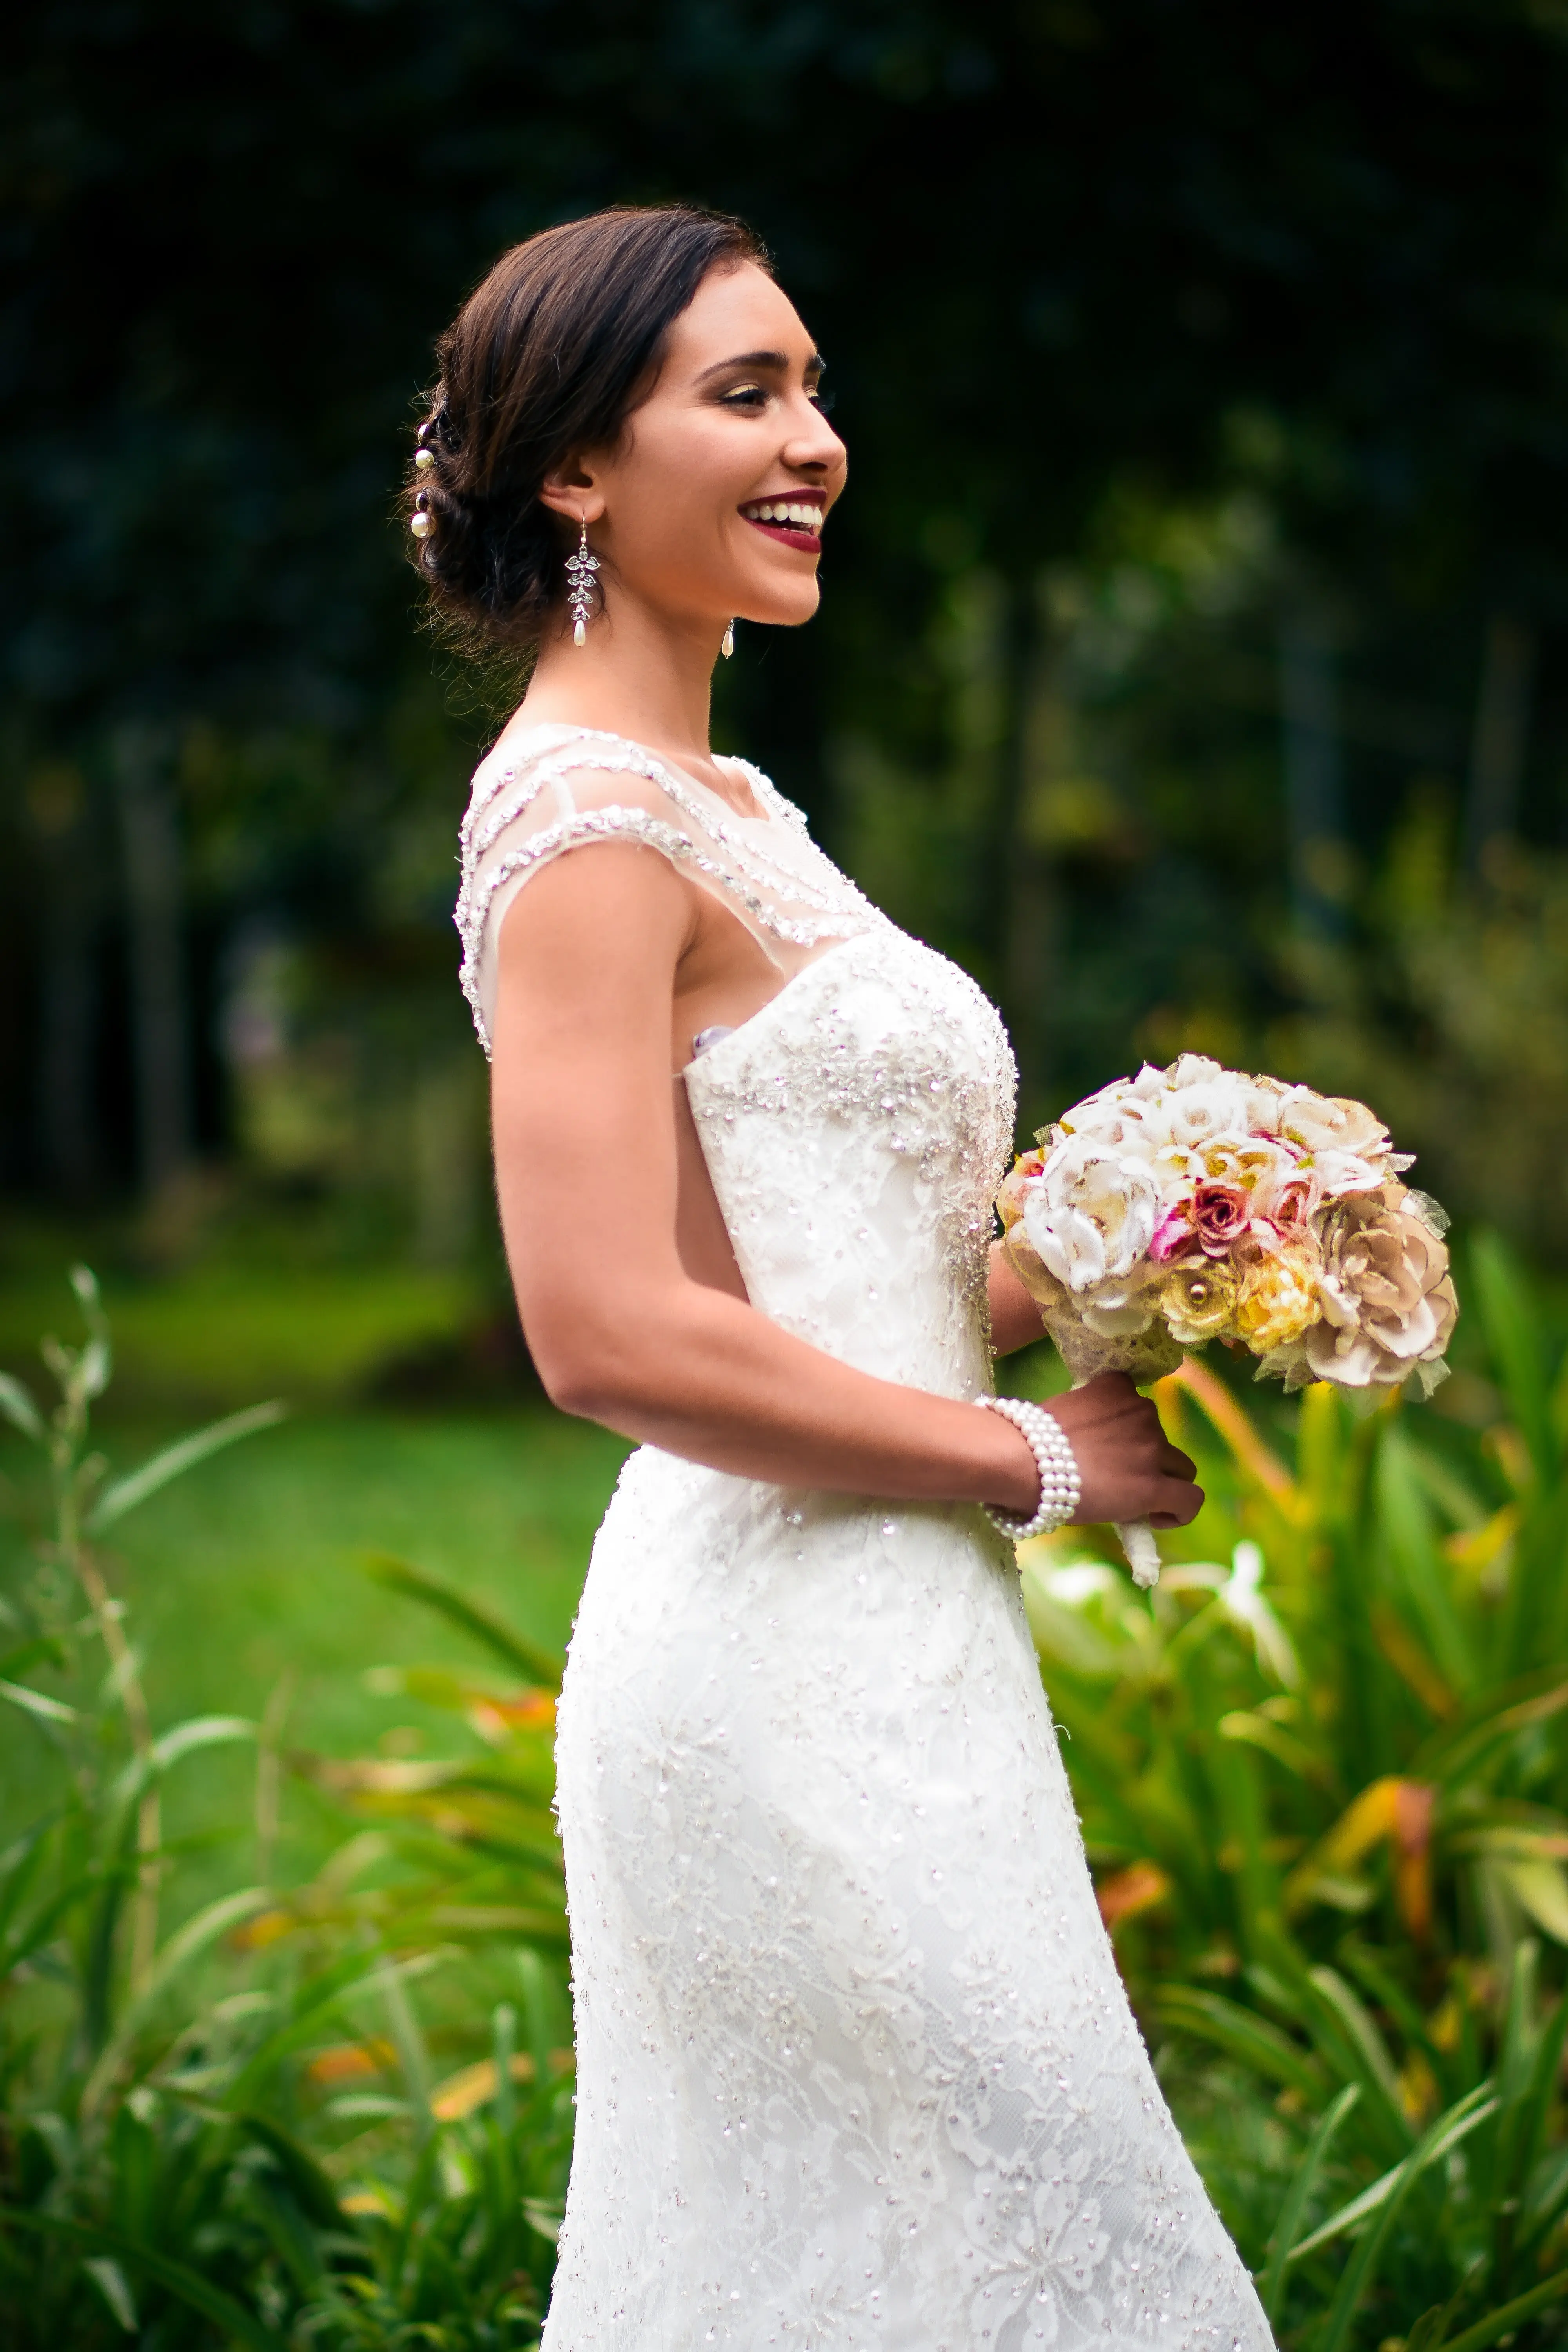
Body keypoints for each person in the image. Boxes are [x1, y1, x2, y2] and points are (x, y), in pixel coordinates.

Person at [411, 205, 1272, 2352]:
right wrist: (1027, 1462)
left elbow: (781, 1284)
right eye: (745, 393)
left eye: (811, 388)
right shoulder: (589, 832)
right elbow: (606, 1328)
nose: (819, 441)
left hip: (900, 1636)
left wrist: (1169, 1239)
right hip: (778, 1667)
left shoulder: (734, 804)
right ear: (576, 471)